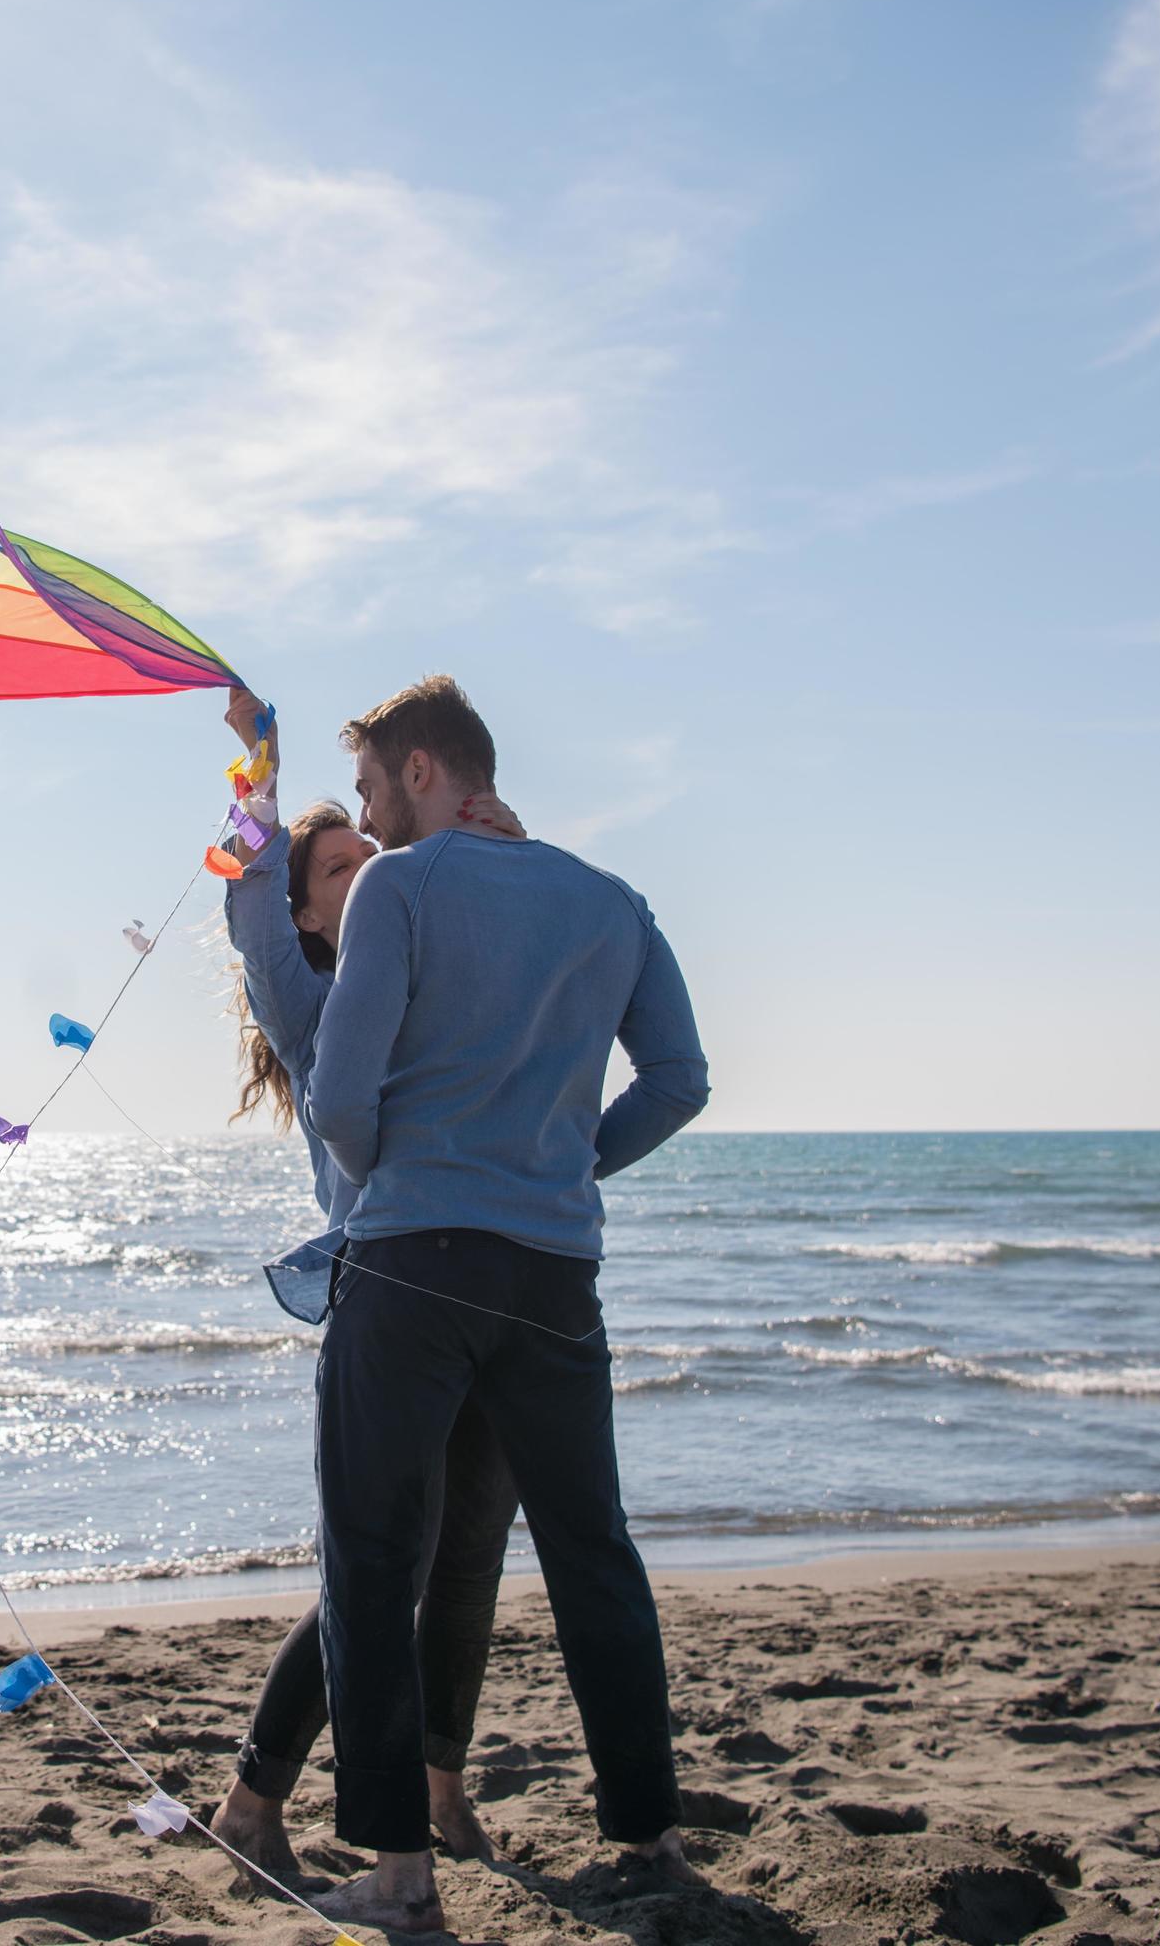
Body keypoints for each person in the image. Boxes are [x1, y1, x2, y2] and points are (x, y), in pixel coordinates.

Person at [299, 675, 710, 1933]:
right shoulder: (610, 900)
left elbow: (338, 1096)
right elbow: (680, 1082)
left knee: (372, 1554)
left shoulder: (398, 890)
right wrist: (568, 1158)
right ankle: (645, 1832)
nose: (367, 815)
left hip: (412, 1257)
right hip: (552, 1272)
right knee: (593, 1550)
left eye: (370, 786)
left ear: (424, 770)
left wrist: (399, 1179)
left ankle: (402, 1870)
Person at [208, 688, 520, 1887]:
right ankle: (252, 1794)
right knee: (376, 1573)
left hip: (491, 1285)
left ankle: (442, 1782)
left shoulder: (431, 959)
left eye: (367, 854)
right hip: (385, 1301)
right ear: (307, 913)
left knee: (469, 1552)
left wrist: (501, 847)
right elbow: (246, 894)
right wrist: (261, 764)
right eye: (337, 870)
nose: (366, 873)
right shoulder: (308, 999)